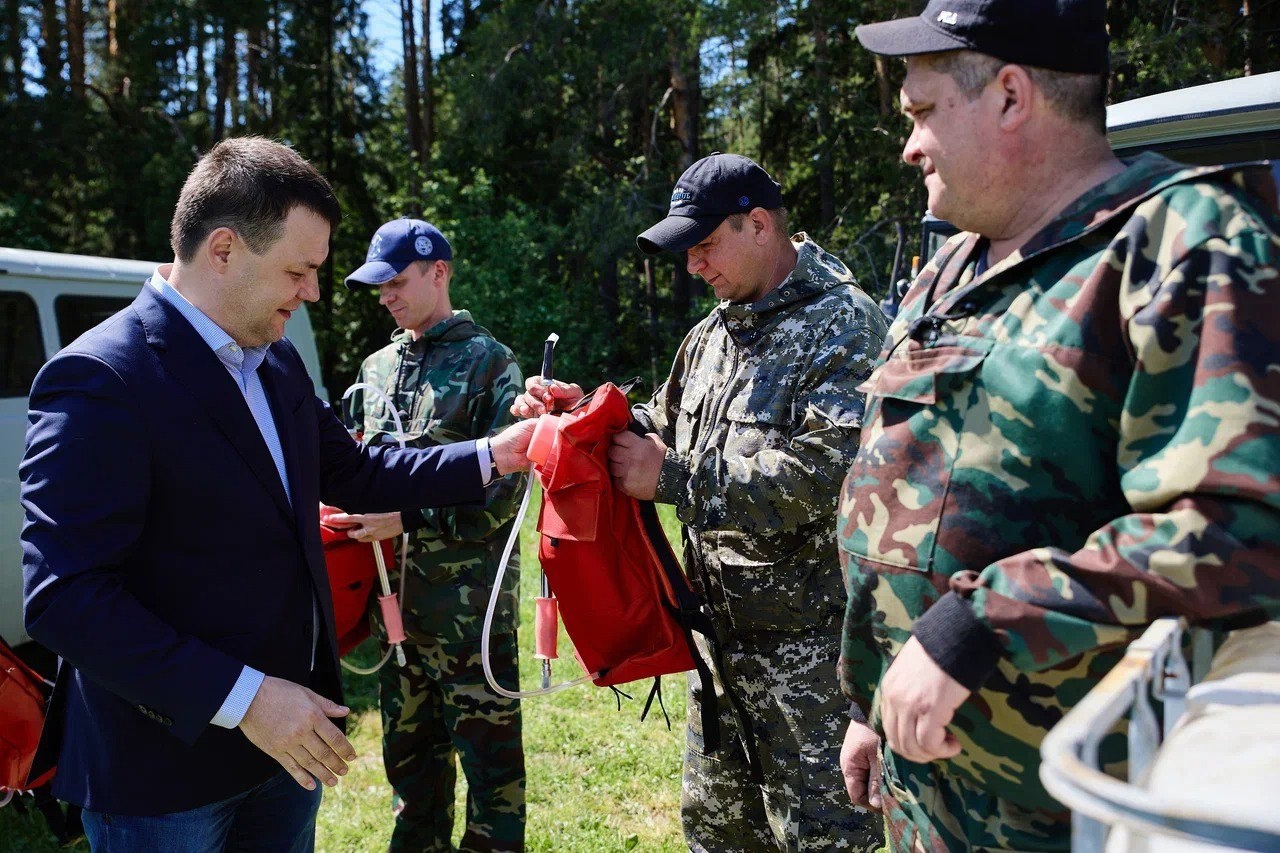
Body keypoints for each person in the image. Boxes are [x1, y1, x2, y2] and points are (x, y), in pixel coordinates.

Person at [838, 2, 1280, 849]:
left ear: (1011, 96)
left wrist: (981, 622)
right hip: (926, 790)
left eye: (923, 113)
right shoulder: (954, 268)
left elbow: (1243, 529)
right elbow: (900, 494)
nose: (909, 145)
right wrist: (867, 698)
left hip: (1060, 806)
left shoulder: (1182, 247)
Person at [20, 137, 535, 852]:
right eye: (301, 270)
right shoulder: (103, 376)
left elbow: (357, 471)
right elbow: (63, 597)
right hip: (167, 776)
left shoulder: (275, 360)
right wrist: (248, 700)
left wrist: (495, 452)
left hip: (285, 753)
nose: (315, 293)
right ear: (224, 249)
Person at [514, 153, 888, 852]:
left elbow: (829, 475)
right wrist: (588, 418)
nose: (693, 267)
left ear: (758, 224)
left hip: (812, 672)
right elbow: (659, 426)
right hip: (718, 662)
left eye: (704, 245)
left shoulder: (847, 325)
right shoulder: (712, 334)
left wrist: (677, 477)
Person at [331, 218, 526, 852]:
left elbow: (500, 497)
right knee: (412, 775)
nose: (386, 296)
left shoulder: (491, 363)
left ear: (438, 271)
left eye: (396, 281)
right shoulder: (376, 368)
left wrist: (406, 519)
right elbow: (359, 472)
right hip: (394, 613)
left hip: (471, 614)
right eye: (377, 286)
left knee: (492, 778)